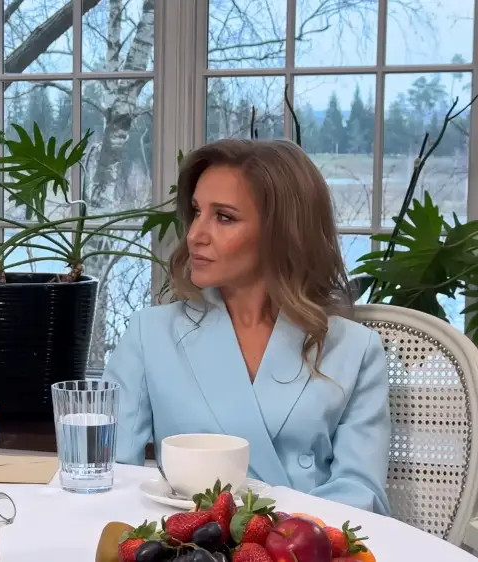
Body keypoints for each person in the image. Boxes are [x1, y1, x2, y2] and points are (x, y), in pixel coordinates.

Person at [103, 139, 391, 514]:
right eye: (197, 212)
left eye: (224, 217)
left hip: (305, 540)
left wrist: (280, 536)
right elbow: (109, 475)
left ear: (282, 232)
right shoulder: (150, 335)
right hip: (186, 541)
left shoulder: (355, 350)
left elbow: (360, 495)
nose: (195, 235)